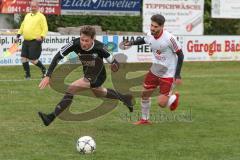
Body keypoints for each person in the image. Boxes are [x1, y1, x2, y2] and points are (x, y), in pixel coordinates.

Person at [38, 25, 134, 126]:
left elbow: (115, 63)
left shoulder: (101, 47)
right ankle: (125, 98)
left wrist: (115, 67)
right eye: (82, 40)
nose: (83, 43)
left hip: (98, 75)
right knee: (100, 93)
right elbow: (58, 56)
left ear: (93, 39)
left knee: (71, 89)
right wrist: (48, 75)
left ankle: (50, 117)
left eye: (86, 41)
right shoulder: (74, 44)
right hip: (87, 73)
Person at [123, 14, 184, 125]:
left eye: (155, 27)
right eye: (151, 25)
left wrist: (178, 75)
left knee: (161, 103)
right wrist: (132, 43)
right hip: (155, 70)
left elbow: (180, 55)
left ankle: (174, 97)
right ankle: (144, 119)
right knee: (145, 94)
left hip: (168, 73)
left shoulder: (170, 38)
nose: (152, 28)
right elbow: (144, 40)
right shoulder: (150, 34)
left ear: (161, 27)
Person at [16, 0, 48, 79]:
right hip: (26, 41)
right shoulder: (27, 15)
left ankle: (44, 69)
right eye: (31, 6)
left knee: (32, 60)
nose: (32, 8)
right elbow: (22, 26)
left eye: (34, 6)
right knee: (23, 58)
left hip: (35, 41)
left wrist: (42, 36)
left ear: (38, 7)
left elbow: (45, 28)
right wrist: (18, 36)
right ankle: (27, 75)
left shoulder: (41, 16)